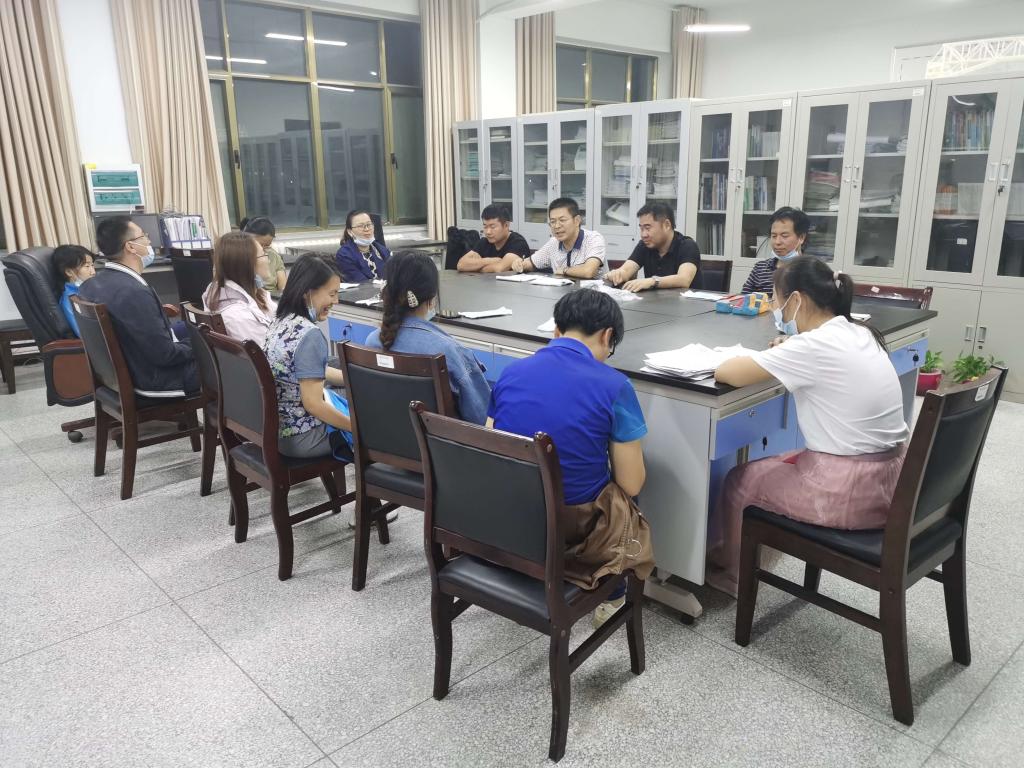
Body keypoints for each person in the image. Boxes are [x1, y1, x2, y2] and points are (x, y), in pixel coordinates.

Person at [709, 255, 909, 596]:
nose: (776, 308)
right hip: (892, 483)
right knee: (779, 461)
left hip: (847, 493)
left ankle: (733, 576)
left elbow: (728, 373)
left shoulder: (813, 345)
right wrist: (791, 347)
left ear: (796, 300)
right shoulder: (859, 332)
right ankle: (736, 551)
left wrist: (778, 351)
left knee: (740, 481)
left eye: (776, 300)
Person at [487, 289, 655, 627]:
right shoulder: (615, 385)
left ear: (557, 330)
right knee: (627, 492)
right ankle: (612, 595)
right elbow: (631, 483)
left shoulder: (511, 372)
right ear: (607, 336)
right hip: (572, 526)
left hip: (509, 513)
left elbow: (490, 442)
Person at [365, 252, 491, 425]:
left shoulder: (372, 341)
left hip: (385, 438)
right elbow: (483, 417)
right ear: (432, 299)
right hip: (440, 442)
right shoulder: (448, 352)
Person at [79, 216, 198, 397]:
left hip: (124, 373)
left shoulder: (91, 284)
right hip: (156, 379)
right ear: (131, 247)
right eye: (144, 236)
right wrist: (201, 346)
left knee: (191, 332)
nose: (149, 241)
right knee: (230, 361)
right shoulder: (133, 292)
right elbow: (165, 355)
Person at [263, 253, 351, 459]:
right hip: (304, 437)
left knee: (352, 391)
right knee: (371, 414)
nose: (336, 301)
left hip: (278, 429)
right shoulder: (310, 335)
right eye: (332, 294)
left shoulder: (282, 321)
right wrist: (357, 428)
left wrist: (352, 379)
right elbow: (314, 405)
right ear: (308, 292)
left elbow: (306, 370)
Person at [603, 202, 701, 292]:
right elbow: (626, 270)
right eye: (641, 229)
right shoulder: (645, 245)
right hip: (655, 302)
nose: (643, 235)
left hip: (687, 303)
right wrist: (617, 274)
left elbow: (684, 279)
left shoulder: (687, 245)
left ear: (667, 225)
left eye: (647, 228)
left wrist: (652, 281)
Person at [203, 231, 276, 345]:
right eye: (263, 254)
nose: (268, 260)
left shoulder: (219, 289)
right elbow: (269, 350)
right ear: (247, 264)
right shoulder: (238, 315)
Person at [514, 198, 607, 279]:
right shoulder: (553, 243)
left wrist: (564, 270)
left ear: (577, 220)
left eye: (562, 220)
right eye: (552, 221)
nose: (557, 226)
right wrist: (519, 264)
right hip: (563, 292)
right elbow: (531, 263)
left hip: (592, 292)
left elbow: (588, 271)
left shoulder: (593, 239)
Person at [741, 206, 810, 295]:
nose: (777, 242)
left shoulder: (811, 272)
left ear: (801, 237)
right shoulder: (760, 268)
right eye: (774, 236)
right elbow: (743, 299)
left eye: (784, 236)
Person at [455, 205, 531, 273]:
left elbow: (499, 269)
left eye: (492, 227)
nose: (488, 232)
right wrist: (492, 260)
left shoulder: (518, 242)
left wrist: (475, 266)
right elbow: (461, 265)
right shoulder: (484, 242)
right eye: (485, 227)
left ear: (506, 225)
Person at [52, 244, 97, 337]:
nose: (93, 272)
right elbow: (84, 335)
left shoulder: (86, 290)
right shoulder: (71, 300)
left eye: (92, 265)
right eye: (87, 266)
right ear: (69, 272)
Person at [335, 210, 391, 282]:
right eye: (360, 226)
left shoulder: (381, 249)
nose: (367, 229)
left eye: (369, 224)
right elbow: (361, 283)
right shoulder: (344, 255)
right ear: (350, 231)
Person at [241, 216, 287, 292]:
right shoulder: (238, 257)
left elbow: (283, 288)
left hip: (272, 297)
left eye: (267, 245)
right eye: (259, 244)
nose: (262, 248)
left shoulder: (273, 256)